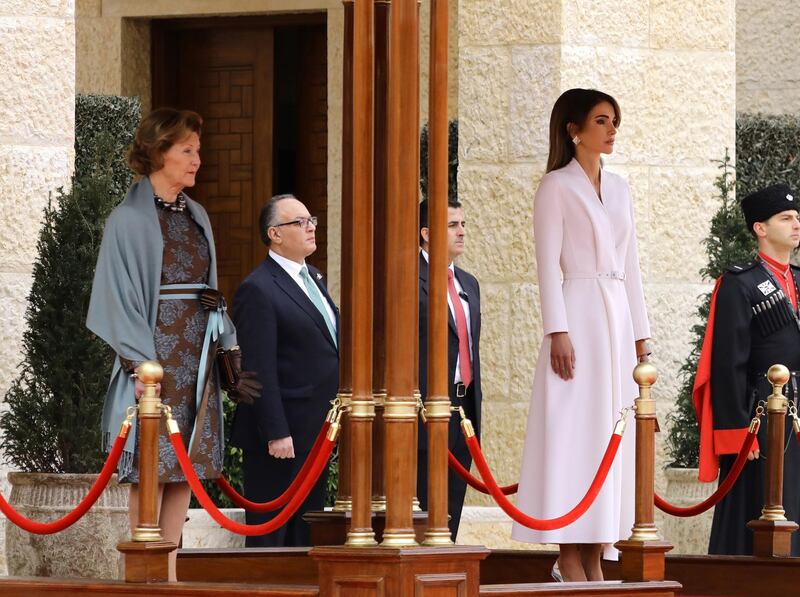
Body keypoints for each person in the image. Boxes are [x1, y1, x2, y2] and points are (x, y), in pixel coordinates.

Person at [87, 108, 259, 581]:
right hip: (154, 357)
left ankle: (170, 573)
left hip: (195, 356)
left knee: (186, 465)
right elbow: (116, 299)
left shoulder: (198, 214)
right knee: (149, 461)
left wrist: (222, 333)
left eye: (197, 150)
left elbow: (207, 285)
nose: (197, 160)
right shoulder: (125, 220)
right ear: (159, 152)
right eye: (187, 150)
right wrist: (141, 368)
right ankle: (141, 575)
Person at [511, 88, 651, 582]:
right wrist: (558, 330)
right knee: (578, 431)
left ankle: (595, 552)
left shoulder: (620, 189)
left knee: (611, 432)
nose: (612, 130)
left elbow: (631, 266)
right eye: (601, 120)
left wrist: (643, 337)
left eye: (615, 120)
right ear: (574, 129)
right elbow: (547, 264)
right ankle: (569, 553)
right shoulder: (556, 186)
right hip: (578, 318)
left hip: (616, 324)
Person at [694, 183, 800, 555]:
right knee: (758, 507)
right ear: (760, 227)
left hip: (798, 414)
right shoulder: (740, 284)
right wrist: (738, 431)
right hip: (759, 414)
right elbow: (728, 364)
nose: (796, 224)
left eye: (797, 217)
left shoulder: (799, 279)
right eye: (785, 218)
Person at [230, 193, 339, 547]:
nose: (310, 228)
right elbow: (258, 368)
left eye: (312, 221)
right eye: (300, 222)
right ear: (275, 234)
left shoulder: (314, 278)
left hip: (317, 430)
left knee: (306, 536)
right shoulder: (258, 288)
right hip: (282, 436)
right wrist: (276, 432)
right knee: (273, 539)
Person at [417, 198, 482, 541]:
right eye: (452, 225)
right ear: (426, 233)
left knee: (452, 507)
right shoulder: (410, 278)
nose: (462, 232)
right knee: (427, 506)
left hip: (464, 409)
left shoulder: (469, 284)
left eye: (463, 224)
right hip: (426, 411)